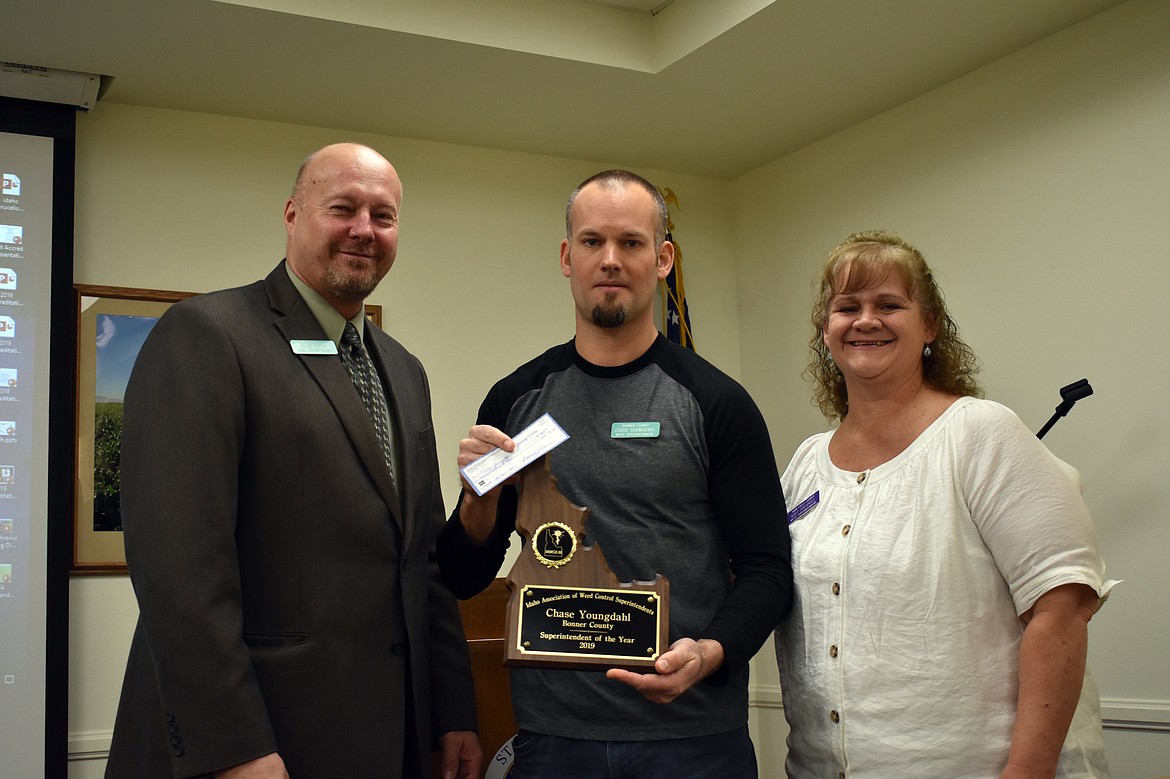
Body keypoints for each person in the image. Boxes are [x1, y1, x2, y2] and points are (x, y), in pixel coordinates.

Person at [105, 143, 483, 779]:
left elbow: (422, 562)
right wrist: (234, 748)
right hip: (257, 744)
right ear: (292, 213)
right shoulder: (208, 334)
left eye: (383, 216)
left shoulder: (404, 370)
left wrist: (453, 713)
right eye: (343, 208)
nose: (364, 229)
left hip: (390, 741)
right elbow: (181, 570)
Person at [437, 170, 793, 778]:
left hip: (694, 739)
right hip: (553, 740)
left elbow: (767, 569)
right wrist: (477, 501)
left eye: (630, 243)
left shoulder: (716, 402)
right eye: (592, 241)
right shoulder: (516, 400)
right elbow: (463, 575)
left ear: (662, 258)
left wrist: (710, 654)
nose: (610, 260)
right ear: (565, 256)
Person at [775, 230, 1114, 778]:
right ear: (826, 329)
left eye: (889, 304)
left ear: (929, 325)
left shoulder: (981, 433)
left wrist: (1027, 772)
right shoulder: (807, 463)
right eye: (847, 307)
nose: (866, 320)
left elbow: (1063, 604)